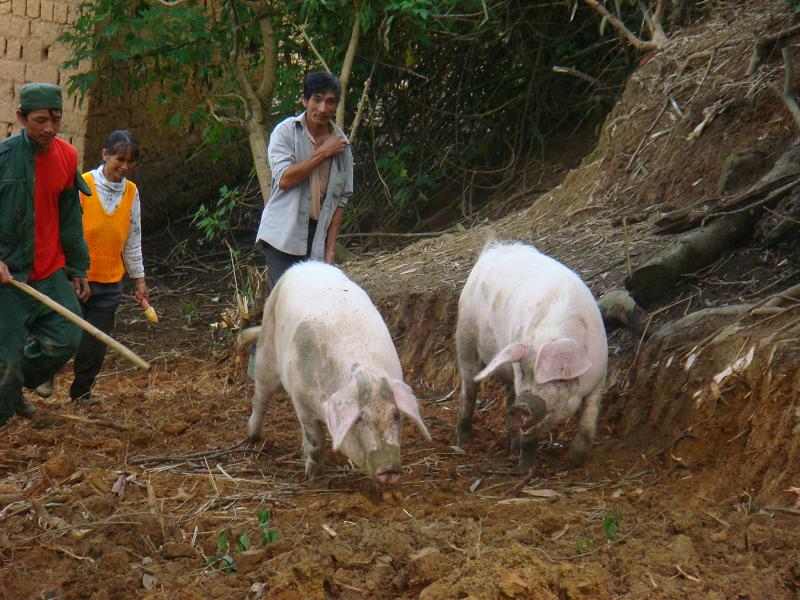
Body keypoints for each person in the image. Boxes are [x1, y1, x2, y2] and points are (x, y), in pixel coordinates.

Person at [0, 83, 91, 426]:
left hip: (49, 273)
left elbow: (70, 217)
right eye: (40, 120)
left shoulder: (67, 155)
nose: (49, 128)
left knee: (67, 337)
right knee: (5, 360)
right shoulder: (4, 159)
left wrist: (78, 266)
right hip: (11, 278)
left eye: (55, 119)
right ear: (21, 117)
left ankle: (11, 387)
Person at [36, 130, 149, 404]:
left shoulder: (132, 193)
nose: (123, 166)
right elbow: (65, 231)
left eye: (130, 161)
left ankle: (82, 393)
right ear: (104, 155)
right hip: (73, 276)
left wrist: (139, 279)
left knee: (94, 344)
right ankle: (44, 371)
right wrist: (74, 271)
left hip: (109, 281)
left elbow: (132, 239)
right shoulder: (83, 185)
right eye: (119, 159)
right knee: (65, 331)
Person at [255, 71, 354, 289]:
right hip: (283, 234)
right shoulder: (285, 133)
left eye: (329, 102)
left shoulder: (342, 146)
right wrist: (323, 152)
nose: (322, 109)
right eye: (316, 100)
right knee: (287, 302)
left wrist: (329, 250)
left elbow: (342, 200)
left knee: (313, 302)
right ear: (305, 100)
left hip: (316, 238)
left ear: (336, 106)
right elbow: (285, 179)